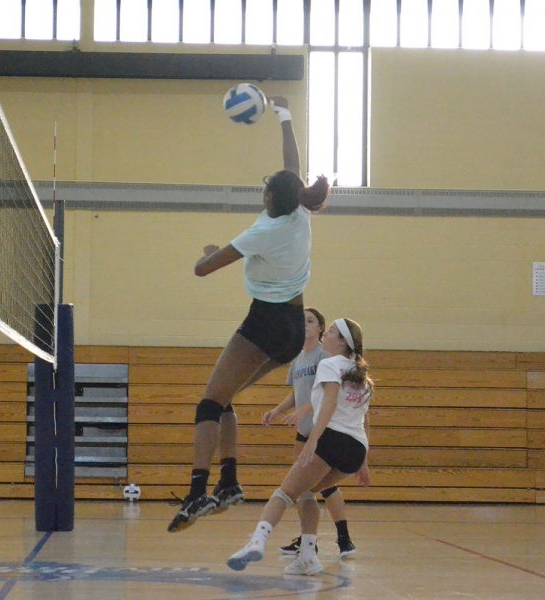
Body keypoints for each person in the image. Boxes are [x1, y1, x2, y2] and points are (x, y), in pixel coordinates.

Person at [167, 97, 331, 533]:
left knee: (208, 403)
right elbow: (292, 163)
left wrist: (207, 251)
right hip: (294, 329)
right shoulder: (300, 213)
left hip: (264, 322)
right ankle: (230, 484)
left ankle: (198, 491)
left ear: (268, 197)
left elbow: (203, 269)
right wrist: (284, 116)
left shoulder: (262, 230)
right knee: (226, 400)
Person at [227, 318, 372, 576]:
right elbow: (363, 419)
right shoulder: (363, 377)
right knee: (306, 493)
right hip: (356, 449)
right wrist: (363, 463)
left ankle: (256, 541)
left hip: (332, 439)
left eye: (330, 332)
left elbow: (327, 405)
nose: (326, 335)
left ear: (341, 343)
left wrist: (314, 439)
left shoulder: (329, 364)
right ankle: (307, 556)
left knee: (284, 493)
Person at [262, 307, 358, 558]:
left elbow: (328, 395)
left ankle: (344, 538)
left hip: (323, 431)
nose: (304, 325)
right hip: (303, 432)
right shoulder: (298, 358)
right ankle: (308, 540)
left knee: (323, 488)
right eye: (300, 320)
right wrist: (277, 410)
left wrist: (305, 410)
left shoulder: (323, 357)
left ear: (321, 329)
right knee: (302, 488)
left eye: (310, 321)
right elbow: (297, 392)